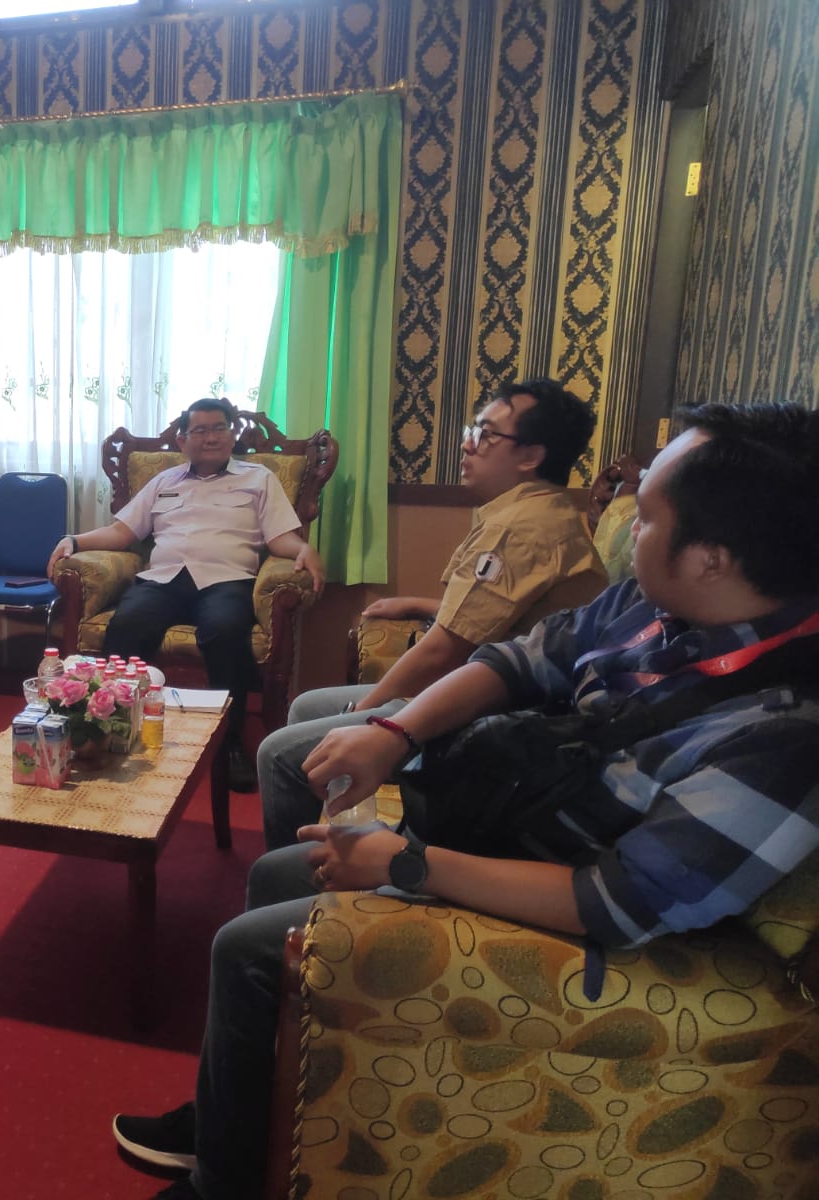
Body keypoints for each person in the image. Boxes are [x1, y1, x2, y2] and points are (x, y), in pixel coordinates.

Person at [111, 402, 819, 1200]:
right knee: (283, 873)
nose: (624, 531)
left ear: (712, 559)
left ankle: (224, 1182)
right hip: (525, 815)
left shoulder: (782, 735)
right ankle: (247, 1113)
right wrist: (393, 733)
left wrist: (410, 865)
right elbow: (519, 660)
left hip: (586, 907)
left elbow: (614, 903)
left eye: (645, 516)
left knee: (249, 945)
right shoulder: (655, 605)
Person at [258, 377, 606, 848]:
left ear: (530, 456)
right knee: (306, 706)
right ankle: (321, 842)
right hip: (492, 689)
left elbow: (446, 649)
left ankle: (304, 871)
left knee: (279, 755)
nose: (468, 444)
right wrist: (417, 604)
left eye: (486, 434)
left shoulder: (521, 529)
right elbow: (500, 617)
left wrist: (364, 714)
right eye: (473, 430)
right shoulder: (535, 513)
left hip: (504, 713)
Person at [46, 398, 326, 789]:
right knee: (127, 625)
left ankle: (229, 742)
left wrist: (303, 549)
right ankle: (115, 727)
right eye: (200, 430)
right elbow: (123, 533)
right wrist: (74, 540)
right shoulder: (164, 481)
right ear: (182, 440)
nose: (211, 438)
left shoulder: (259, 479)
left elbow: (280, 537)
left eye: (219, 428)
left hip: (227, 580)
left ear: (232, 434)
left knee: (224, 632)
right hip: (163, 579)